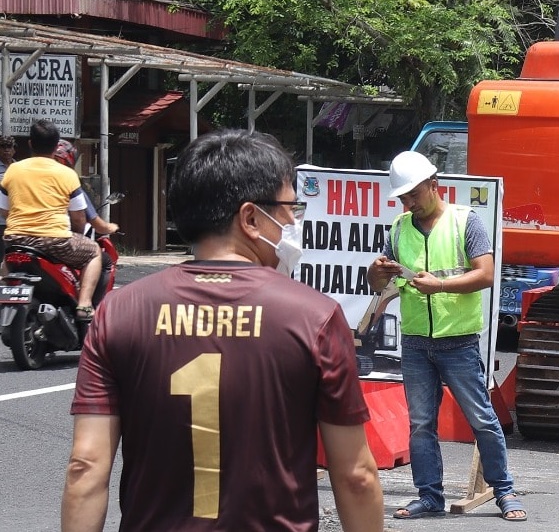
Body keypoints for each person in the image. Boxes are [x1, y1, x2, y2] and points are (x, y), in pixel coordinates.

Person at [61, 129, 385, 532]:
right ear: (250, 218)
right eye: (288, 209)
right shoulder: (314, 316)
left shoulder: (119, 312)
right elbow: (356, 476)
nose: (291, 221)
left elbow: (86, 467)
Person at [367, 150, 527, 522]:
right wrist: (376, 271)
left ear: (433, 185)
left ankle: (504, 491)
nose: (408, 203)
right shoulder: (398, 228)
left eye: (413, 195)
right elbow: (380, 284)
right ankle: (429, 496)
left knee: (482, 419)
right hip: (416, 342)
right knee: (421, 423)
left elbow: (486, 274)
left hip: (458, 341)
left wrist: (439, 286)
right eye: (403, 198)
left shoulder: (465, 221)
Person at [0, 120, 103, 320]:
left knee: (5, 266)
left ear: (30, 143)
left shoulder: (13, 170)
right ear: (57, 146)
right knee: (95, 252)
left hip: (15, 240)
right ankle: (84, 305)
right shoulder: (67, 174)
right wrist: (78, 234)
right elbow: (79, 217)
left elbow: (4, 209)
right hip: (54, 241)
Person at [52, 140, 118, 236]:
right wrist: (111, 227)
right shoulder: (69, 180)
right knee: (95, 249)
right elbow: (80, 220)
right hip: (56, 239)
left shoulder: (27, 174)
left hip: (24, 238)